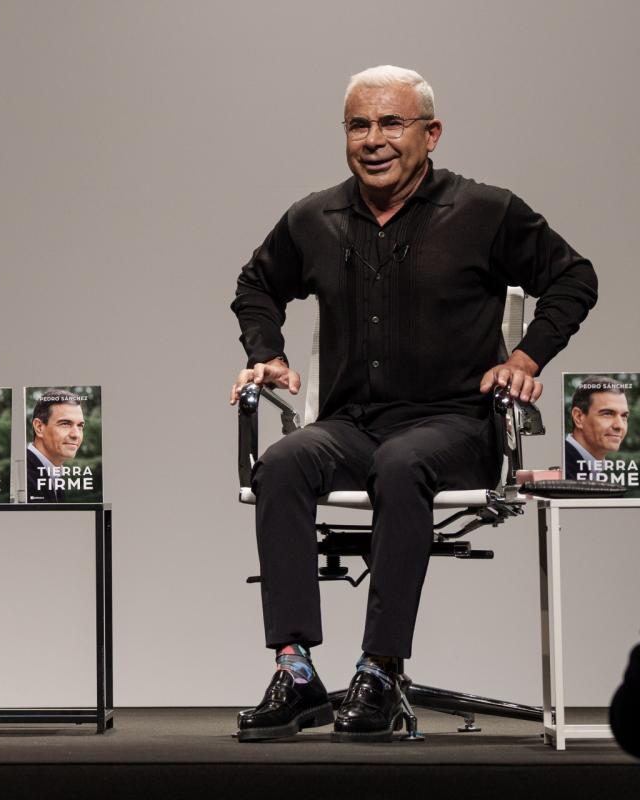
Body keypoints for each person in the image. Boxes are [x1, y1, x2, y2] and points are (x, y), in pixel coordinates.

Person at [227, 65, 597, 742]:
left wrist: (524, 359)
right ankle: (297, 669)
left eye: (391, 123)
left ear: (431, 134)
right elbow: (256, 283)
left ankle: (381, 669)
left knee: (401, 463)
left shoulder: (485, 211)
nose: (374, 140)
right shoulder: (316, 216)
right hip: (350, 427)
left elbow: (574, 277)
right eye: (359, 125)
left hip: (456, 426)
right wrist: (267, 350)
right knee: (281, 463)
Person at [565, 376, 629, 480]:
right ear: (579, 417)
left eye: (624, 416)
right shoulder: (561, 468)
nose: (620, 426)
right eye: (608, 413)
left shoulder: (608, 473)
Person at [26, 389, 85, 503]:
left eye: (80, 426)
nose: (76, 434)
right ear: (39, 427)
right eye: (65, 424)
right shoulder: (24, 477)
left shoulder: (53, 473)